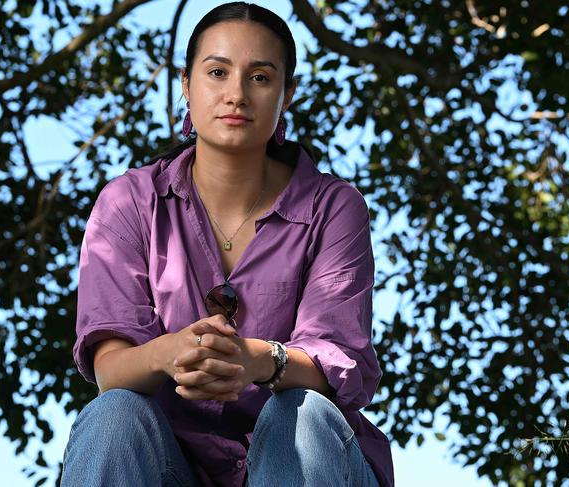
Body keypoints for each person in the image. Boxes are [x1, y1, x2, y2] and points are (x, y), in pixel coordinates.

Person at [60, 2, 394, 486]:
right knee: (114, 415)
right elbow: (110, 370)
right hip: (170, 467)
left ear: (287, 93)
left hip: (308, 465)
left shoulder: (334, 207)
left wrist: (260, 360)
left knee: (298, 415)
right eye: (217, 72)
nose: (236, 94)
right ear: (186, 85)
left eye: (260, 77)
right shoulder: (129, 202)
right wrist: (166, 353)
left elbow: (340, 364)